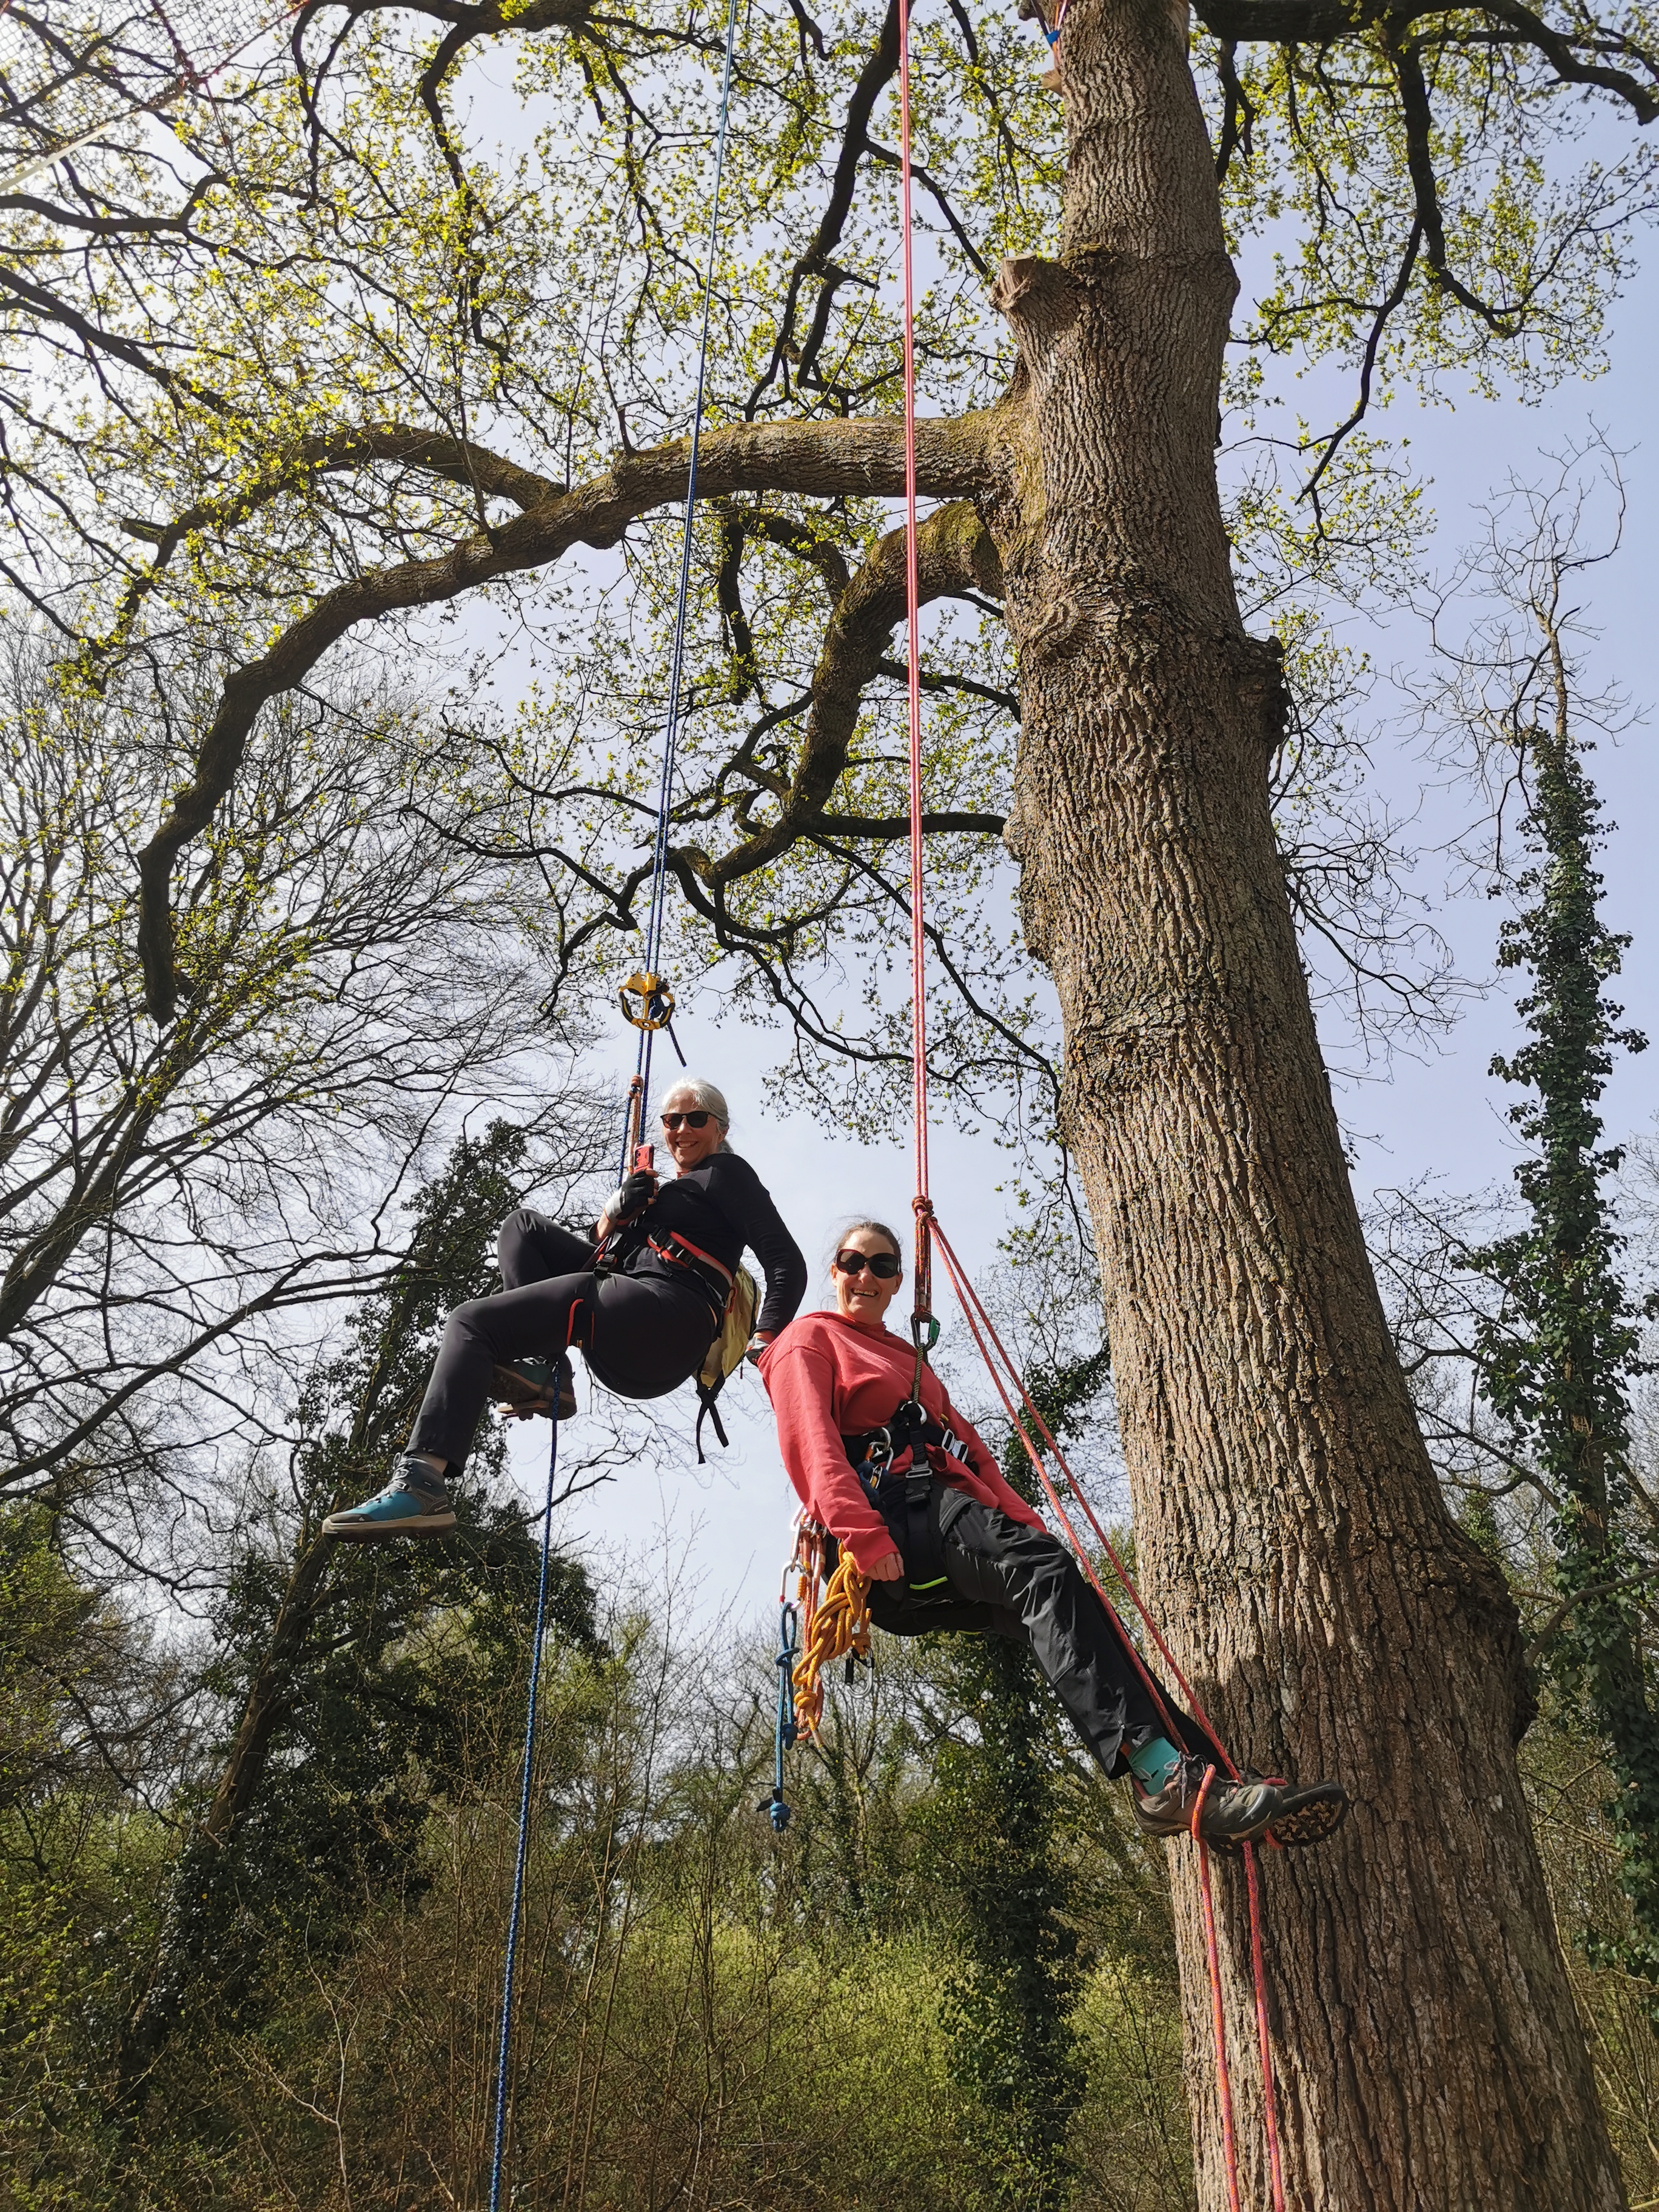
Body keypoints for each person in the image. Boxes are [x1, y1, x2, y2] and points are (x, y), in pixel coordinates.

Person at [757, 1220, 1349, 1850]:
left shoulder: (909, 1362)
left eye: (881, 1266)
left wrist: (1029, 1529)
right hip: (901, 1525)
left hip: (942, 1519)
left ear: (899, 1281)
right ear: (834, 1271)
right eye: (852, 1262)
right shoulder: (809, 1339)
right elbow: (812, 1445)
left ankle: (1208, 1785)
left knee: (1080, 1611)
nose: (865, 1276)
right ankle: (1161, 1782)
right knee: (1044, 1575)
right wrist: (864, 1536)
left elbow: (973, 1454)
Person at [325, 1079, 808, 1540]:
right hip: (629, 1306)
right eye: (671, 1120)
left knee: (471, 1322)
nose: (682, 1130)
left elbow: (786, 1261)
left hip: (667, 1319)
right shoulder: (662, 1192)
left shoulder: (726, 1173)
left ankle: (422, 1482)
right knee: (522, 1228)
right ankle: (547, 1370)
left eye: (695, 1119)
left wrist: (766, 1336)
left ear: (721, 1128)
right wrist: (614, 1213)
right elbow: (606, 1252)